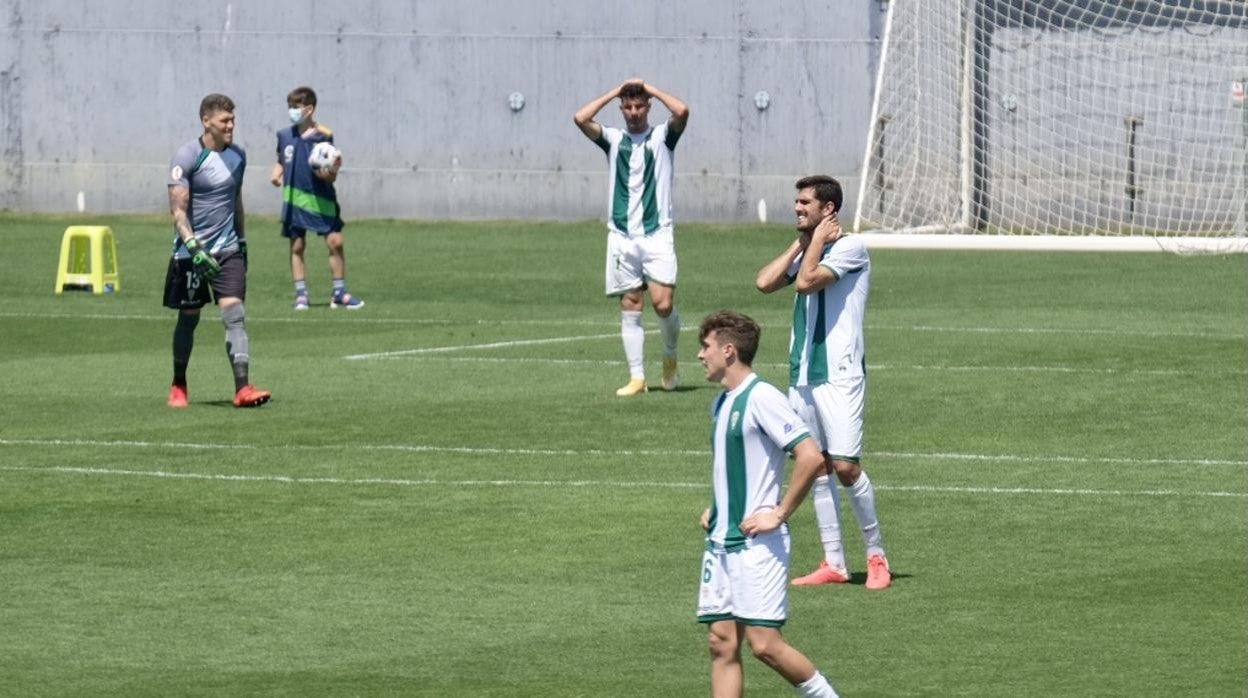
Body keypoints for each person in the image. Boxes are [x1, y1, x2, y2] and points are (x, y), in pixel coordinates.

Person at [755, 175, 891, 590]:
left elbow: (807, 281)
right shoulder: (808, 248)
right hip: (802, 376)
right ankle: (833, 561)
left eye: (805, 203)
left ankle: (876, 556)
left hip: (840, 375)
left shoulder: (851, 248)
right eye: (796, 202)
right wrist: (802, 241)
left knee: (847, 467)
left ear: (828, 209)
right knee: (815, 465)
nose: (797, 208)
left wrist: (812, 245)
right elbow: (764, 282)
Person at [695, 310, 840, 698]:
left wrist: (779, 513)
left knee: (765, 645)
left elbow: (810, 456)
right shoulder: (721, 404)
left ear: (728, 351)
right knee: (721, 643)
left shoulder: (762, 397)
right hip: (721, 542)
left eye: (705, 347)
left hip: (755, 546)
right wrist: (716, 507)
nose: (700, 355)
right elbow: (735, 468)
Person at [574, 78, 689, 396]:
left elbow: (682, 110)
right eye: (628, 107)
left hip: (657, 233)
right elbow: (580, 118)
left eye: (640, 106)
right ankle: (637, 378)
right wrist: (614, 91)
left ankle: (669, 356)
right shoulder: (613, 139)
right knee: (631, 303)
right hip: (622, 236)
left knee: (663, 304)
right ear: (621, 109)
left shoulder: (663, 137)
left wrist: (650, 88)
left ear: (648, 107)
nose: (634, 112)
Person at [164, 93, 271, 408]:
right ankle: (179, 383)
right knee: (189, 318)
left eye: (233, 120)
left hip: (227, 250)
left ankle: (242, 388)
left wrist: (243, 242)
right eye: (225, 120)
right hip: (190, 253)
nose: (231, 126)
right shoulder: (186, 156)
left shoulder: (238, 156)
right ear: (206, 120)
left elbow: (236, 201)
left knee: (234, 314)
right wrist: (194, 247)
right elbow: (178, 211)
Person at [269, 85, 363, 310]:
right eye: (290, 107)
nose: (292, 111)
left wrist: (329, 173)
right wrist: (277, 172)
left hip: (321, 199)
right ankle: (301, 295)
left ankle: (339, 292)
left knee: (335, 241)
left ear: (309, 109)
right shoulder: (284, 135)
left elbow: (330, 167)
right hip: (294, 201)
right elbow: (282, 158)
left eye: (296, 107)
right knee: (297, 246)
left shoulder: (324, 135)